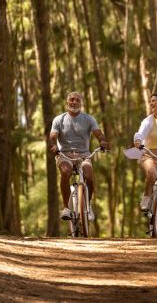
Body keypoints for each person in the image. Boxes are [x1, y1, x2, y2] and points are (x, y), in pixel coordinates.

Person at [48, 91, 109, 221]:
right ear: (67, 102)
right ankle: (66, 208)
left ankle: (87, 205)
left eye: (77, 100)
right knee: (66, 172)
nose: (74, 102)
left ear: (81, 103)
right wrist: (53, 146)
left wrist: (102, 141)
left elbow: (98, 133)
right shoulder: (59, 119)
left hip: (84, 155)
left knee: (89, 176)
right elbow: (52, 136)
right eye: (72, 99)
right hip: (64, 154)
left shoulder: (88, 119)